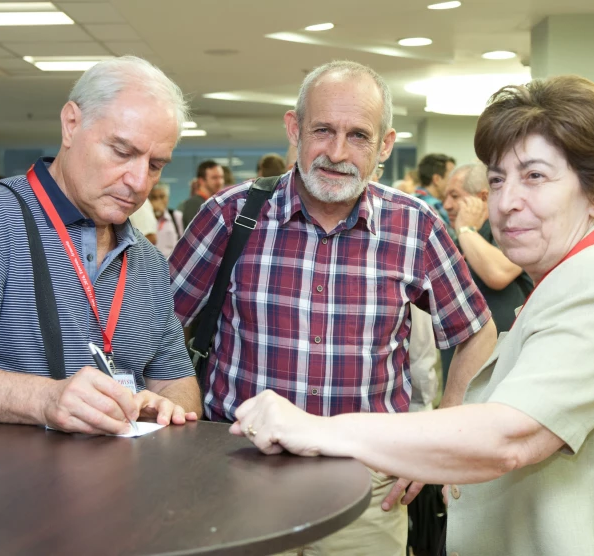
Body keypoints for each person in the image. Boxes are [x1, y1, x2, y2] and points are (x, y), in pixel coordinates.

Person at [231, 75, 594, 556]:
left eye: (535, 176)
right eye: (498, 179)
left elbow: (509, 435)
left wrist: (313, 428)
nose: (505, 202)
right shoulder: (567, 279)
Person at [170, 60, 495, 555]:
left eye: (358, 136)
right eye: (323, 130)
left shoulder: (415, 227)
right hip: (238, 477)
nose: (337, 153)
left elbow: (475, 331)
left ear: (385, 145)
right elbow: (159, 325)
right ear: (294, 129)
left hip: (367, 492)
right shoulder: (231, 216)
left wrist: (440, 435)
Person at [0, 56, 201, 435]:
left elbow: (178, 382)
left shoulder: (147, 261)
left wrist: (164, 406)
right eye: (122, 151)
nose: (138, 181)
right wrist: (45, 400)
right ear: (71, 124)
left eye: (155, 165)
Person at [439, 163, 533, 381]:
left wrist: (466, 228)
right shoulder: (458, 239)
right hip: (461, 365)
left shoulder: (510, 230)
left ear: (482, 198)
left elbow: (497, 274)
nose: (447, 205)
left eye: (455, 196)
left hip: (503, 369)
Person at [176, 160, 224, 230]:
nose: (219, 182)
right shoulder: (195, 204)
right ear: (201, 181)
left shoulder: (211, 203)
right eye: (214, 178)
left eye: (221, 177)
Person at [415, 153, 455, 226]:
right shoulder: (433, 205)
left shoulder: (412, 199)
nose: (455, 182)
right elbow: (452, 236)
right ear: (436, 179)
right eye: (452, 177)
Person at [149, 182, 184, 258]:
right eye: (154, 198)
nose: (158, 201)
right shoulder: (145, 219)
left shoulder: (176, 216)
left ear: (167, 198)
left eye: (162, 197)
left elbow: (182, 244)